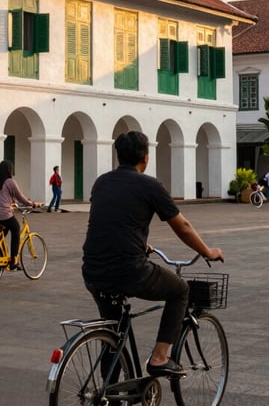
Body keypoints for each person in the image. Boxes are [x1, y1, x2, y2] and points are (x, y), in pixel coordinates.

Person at [82, 131, 224, 378]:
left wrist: (139, 244)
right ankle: (159, 358)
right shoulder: (150, 185)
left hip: (92, 271)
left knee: (113, 333)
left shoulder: (101, 182)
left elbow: (111, 221)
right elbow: (182, 226)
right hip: (130, 271)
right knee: (180, 290)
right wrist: (207, 251)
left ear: (118, 156)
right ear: (145, 158)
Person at [0, 160, 40, 271]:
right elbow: (21, 198)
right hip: (3, 214)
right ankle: (14, 261)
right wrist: (33, 204)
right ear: (10, 170)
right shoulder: (10, 182)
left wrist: (11, 203)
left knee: (3, 229)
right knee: (15, 229)